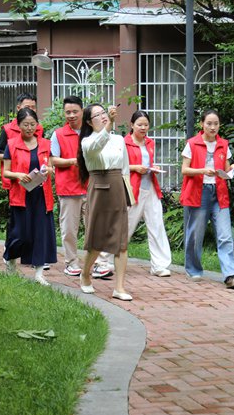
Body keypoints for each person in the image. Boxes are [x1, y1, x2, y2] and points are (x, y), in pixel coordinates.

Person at [95, 110, 172, 277]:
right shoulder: (123, 143)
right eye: (139, 125)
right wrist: (136, 168)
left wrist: (154, 168)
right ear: (132, 125)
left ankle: (160, 265)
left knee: (157, 225)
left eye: (146, 124)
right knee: (123, 227)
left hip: (150, 188)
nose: (143, 128)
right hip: (131, 190)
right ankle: (103, 260)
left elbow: (148, 162)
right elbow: (115, 165)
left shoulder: (150, 143)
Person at [180, 109, 234, 289]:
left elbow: (225, 169)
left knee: (225, 235)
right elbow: (185, 170)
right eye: (209, 123)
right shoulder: (192, 144)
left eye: (216, 123)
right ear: (202, 124)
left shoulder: (223, 144)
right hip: (198, 192)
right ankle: (193, 269)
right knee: (196, 234)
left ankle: (231, 274)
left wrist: (233, 167)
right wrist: (202, 170)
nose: (212, 127)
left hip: (219, 193)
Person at [77, 104, 133, 301]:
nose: (102, 117)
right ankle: (85, 274)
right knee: (97, 239)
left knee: (121, 240)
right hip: (99, 187)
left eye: (103, 113)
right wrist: (109, 124)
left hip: (118, 185)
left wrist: (128, 193)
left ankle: (119, 287)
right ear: (88, 122)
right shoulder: (87, 142)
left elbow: (125, 167)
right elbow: (97, 146)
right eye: (97, 115)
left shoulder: (118, 139)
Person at [1, 108, 57, 285]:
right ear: (18, 125)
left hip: (41, 195)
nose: (29, 128)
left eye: (33, 124)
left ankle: (39, 273)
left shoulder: (46, 144)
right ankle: (10, 260)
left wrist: (48, 170)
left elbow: (52, 169)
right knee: (20, 234)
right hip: (21, 195)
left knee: (40, 233)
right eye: (25, 124)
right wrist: (18, 175)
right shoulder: (12, 144)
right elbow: (6, 171)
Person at [49, 96, 95, 277]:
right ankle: (71, 262)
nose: (71, 115)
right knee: (69, 229)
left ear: (82, 111)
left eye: (75, 111)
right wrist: (72, 161)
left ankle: (95, 262)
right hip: (68, 189)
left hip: (91, 186)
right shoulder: (58, 134)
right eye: (67, 112)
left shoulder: (91, 132)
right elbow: (53, 159)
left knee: (94, 227)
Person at [0, 93, 44, 190]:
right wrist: (20, 156)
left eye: (33, 107)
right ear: (18, 108)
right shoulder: (7, 129)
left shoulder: (39, 129)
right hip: (15, 180)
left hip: (35, 178)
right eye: (27, 107)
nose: (30, 110)